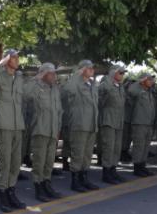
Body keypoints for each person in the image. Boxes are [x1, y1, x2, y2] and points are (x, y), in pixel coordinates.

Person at [0, 49, 27, 212]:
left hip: (18, 125)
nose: (17, 60)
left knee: (16, 162)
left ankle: (11, 192)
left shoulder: (19, 77)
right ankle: (3, 196)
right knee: (5, 162)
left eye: (17, 57)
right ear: (7, 60)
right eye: (14, 58)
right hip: (3, 125)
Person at [23, 63, 63, 201]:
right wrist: (37, 78)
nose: (54, 76)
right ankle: (38, 187)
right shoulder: (36, 87)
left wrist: (58, 129)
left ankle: (46, 184)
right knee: (39, 161)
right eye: (51, 73)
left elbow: (59, 111)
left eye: (54, 73)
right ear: (44, 74)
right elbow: (25, 93)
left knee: (49, 161)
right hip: (40, 130)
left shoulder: (55, 89)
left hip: (52, 131)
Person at [63, 60, 99, 192]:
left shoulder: (93, 84)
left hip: (91, 125)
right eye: (89, 68)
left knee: (87, 154)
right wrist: (76, 74)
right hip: (79, 124)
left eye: (92, 68)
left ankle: (84, 179)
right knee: (78, 154)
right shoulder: (75, 83)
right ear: (82, 69)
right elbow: (67, 89)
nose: (92, 70)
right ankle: (75, 181)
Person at [97, 65, 127, 184]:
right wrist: (109, 79)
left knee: (116, 147)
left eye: (123, 73)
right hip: (108, 120)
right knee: (108, 147)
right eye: (120, 73)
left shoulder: (120, 86)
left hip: (118, 121)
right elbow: (99, 98)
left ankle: (113, 170)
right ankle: (106, 173)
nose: (122, 75)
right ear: (113, 73)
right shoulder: (106, 84)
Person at [128, 73, 156, 177]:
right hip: (139, 123)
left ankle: (142, 166)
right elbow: (130, 90)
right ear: (143, 81)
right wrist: (139, 81)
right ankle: (137, 168)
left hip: (148, 123)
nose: (151, 81)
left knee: (145, 147)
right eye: (149, 79)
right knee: (139, 147)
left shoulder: (149, 92)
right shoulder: (138, 90)